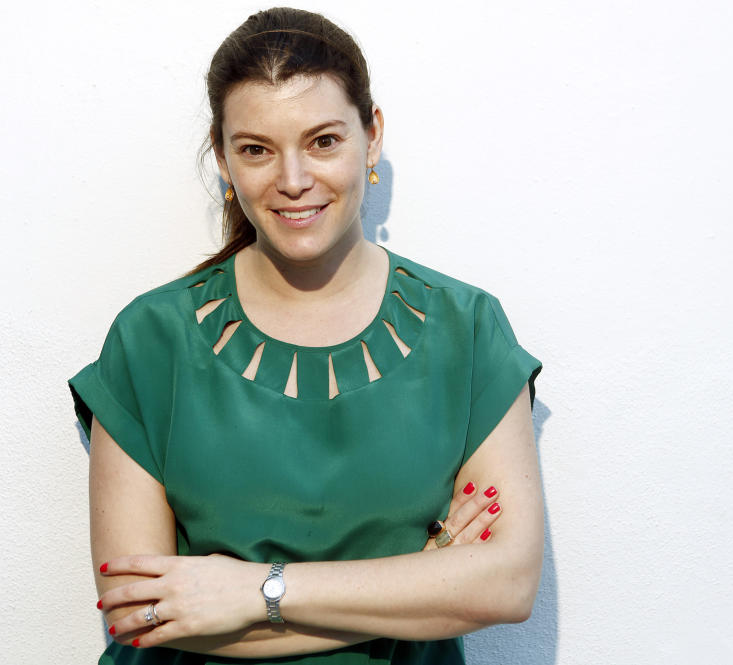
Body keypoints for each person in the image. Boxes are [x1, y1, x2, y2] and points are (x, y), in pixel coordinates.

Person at [68, 7, 544, 665]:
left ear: (371, 137)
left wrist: (255, 591)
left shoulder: (467, 330)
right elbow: (139, 611)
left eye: (323, 140)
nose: (292, 180)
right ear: (224, 157)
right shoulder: (151, 339)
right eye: (257, 149)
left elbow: (509, 583)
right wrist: (422, 582)